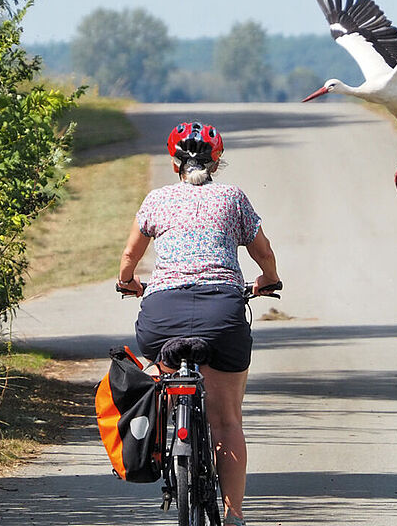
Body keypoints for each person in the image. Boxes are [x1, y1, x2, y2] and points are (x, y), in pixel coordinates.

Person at [117, 121, 280, 526]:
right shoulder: (233, 197)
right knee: (227, 420)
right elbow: (263, 254)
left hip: (162, 315)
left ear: (174, 163)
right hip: (221, 314)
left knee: (159, 379)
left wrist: (128, 283)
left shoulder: (156, 200)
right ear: (216, 162)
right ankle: (234, 515)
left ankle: (165, 423)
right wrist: (268, 280)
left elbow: (129, 258)